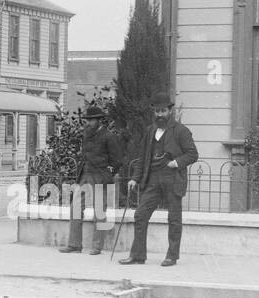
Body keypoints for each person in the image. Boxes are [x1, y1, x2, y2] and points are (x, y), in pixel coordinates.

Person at [120, 92, 197, 267]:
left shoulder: (181, 131)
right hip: (153, 179)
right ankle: (138, 255)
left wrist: (176, 163)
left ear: (170, 111)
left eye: (163, 111)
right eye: (156, 111)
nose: (159, 115)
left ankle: (172, 256)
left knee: (174, 219)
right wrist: (135, 178)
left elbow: (193, 154)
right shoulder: (150, 131)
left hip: (173, 179)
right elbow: (142, 157)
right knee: (140, 215)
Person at [60, 105, 124, 255]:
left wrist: (109, 172)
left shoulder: (108, 136)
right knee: (75, 208)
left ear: (99, 120)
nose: (88, 123)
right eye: (87, 120)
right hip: (84, 176)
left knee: (99, 212)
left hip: (99, 177)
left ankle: (97, 246)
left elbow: (118, 160)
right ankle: (75, 245)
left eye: (91, 120)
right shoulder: (86, 134)